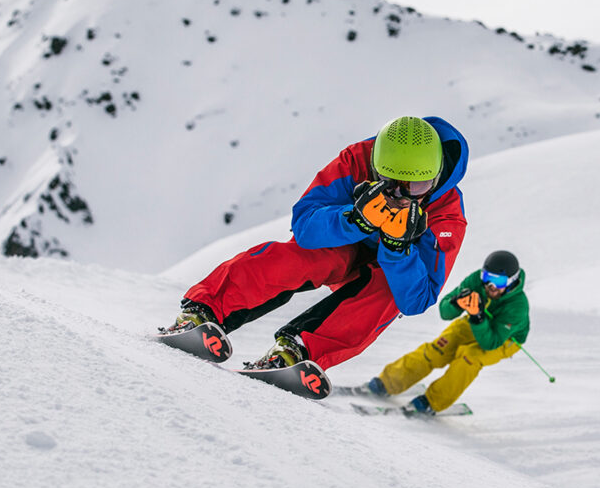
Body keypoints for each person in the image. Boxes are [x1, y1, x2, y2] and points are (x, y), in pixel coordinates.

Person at [164, 116, 469, 371]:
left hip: (383, 272)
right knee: (302, 257)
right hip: (341, 248)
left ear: (437, 175)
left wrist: (398, 249)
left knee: (388, 294)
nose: (401, 195)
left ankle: (297, 350)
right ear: (376, 167)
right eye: (390, 182)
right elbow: (305, 225)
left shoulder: (447, 214)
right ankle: (203, 311)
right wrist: (355, 220)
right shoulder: (357, 160)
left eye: (417, 186)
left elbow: (417, 299)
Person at [364, 250, 530, 415]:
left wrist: (478, 317)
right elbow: (445, 311)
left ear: (511, 281)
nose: (490, 286)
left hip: (505, 338)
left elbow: (490, 343)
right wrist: (456, 303)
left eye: (498, 282)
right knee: (436, 350)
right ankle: (386, 383)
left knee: (468, 358)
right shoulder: (476, 281)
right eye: (487, 278)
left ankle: (432, 402)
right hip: (475, 321)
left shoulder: (518, 306)